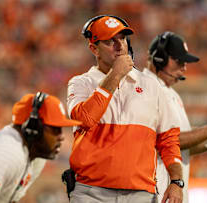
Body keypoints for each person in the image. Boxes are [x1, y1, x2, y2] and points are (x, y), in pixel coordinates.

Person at [66, 15, 183, 203]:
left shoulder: (152, 86)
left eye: (122, 38)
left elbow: (169, 140)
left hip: (140, 194)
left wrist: (177, 182)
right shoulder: (81, 83)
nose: (119, 46)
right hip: (91, 193)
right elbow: (85, 119)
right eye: (110, 41)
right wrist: (116, 75)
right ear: (93, 48)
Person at [144, 31, 207, 203]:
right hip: (156, 189)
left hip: (172, 190)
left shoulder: (171, 94)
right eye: (179, 61)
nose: (184, 68)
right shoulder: (146, 89)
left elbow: (185, 147)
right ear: (159, 58)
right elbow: (167, 140)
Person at [0, 92, 82, 203]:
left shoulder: (33, 156)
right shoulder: (6, 153)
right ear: (33, 127)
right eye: (55, 129)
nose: (61, 137)